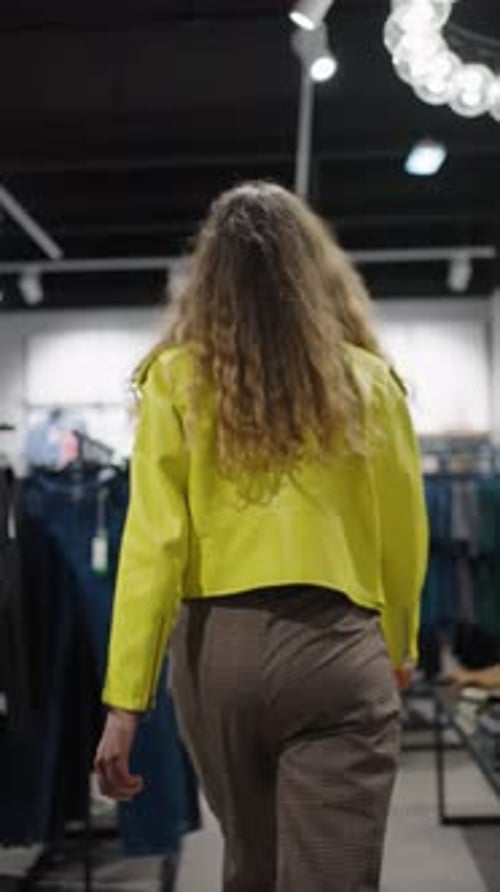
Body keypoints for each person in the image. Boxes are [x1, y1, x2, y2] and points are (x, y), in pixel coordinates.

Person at [95, 181, 428, 892]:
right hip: (338, 647)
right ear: (313, 274)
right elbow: (404, 539)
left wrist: (125, 702)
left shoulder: (173, 379)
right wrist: (400, 646)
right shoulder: (372, 383)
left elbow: (154, 545)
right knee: (332, 876)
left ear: (208, 278)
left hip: (220, 653)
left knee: (252, 864)